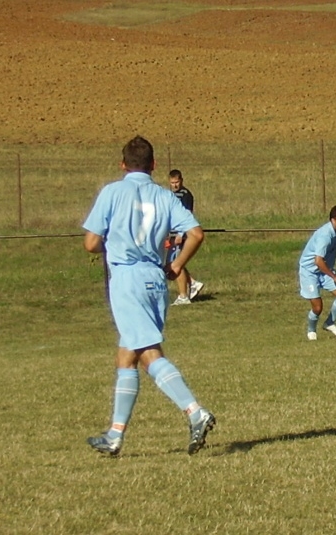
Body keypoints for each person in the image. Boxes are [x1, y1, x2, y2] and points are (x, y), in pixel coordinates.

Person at [82, 136, 216, 455]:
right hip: (156, 279)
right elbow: (196, 234)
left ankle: (195, 411)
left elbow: (90, 243)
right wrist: (176, 265)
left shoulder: (112, 192)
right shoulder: (164, 197)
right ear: (154, 165)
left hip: (127, 279)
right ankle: (115, 435)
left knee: (148, 353)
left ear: (122, 164)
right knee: (127, 354)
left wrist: (111, 243)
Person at [298, 205, 336, 341]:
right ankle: (311, 330)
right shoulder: (325, 236)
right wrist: (334, 276)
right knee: (317, 307)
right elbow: (318, 261)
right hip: (310, 271)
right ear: (333, 220)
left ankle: (329, 323)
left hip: (325, 270)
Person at [167, 169, 204, 305]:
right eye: (172, 183)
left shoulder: (185, 195)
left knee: (176, 263)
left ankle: (183, 296)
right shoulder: (171, 194)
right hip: (172, 234)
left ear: (181, 180)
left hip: (180, 235)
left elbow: (187, 216)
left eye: (176, 182)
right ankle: (193, 283)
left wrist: (180, 234)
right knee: (175, 262)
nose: (175, 185)